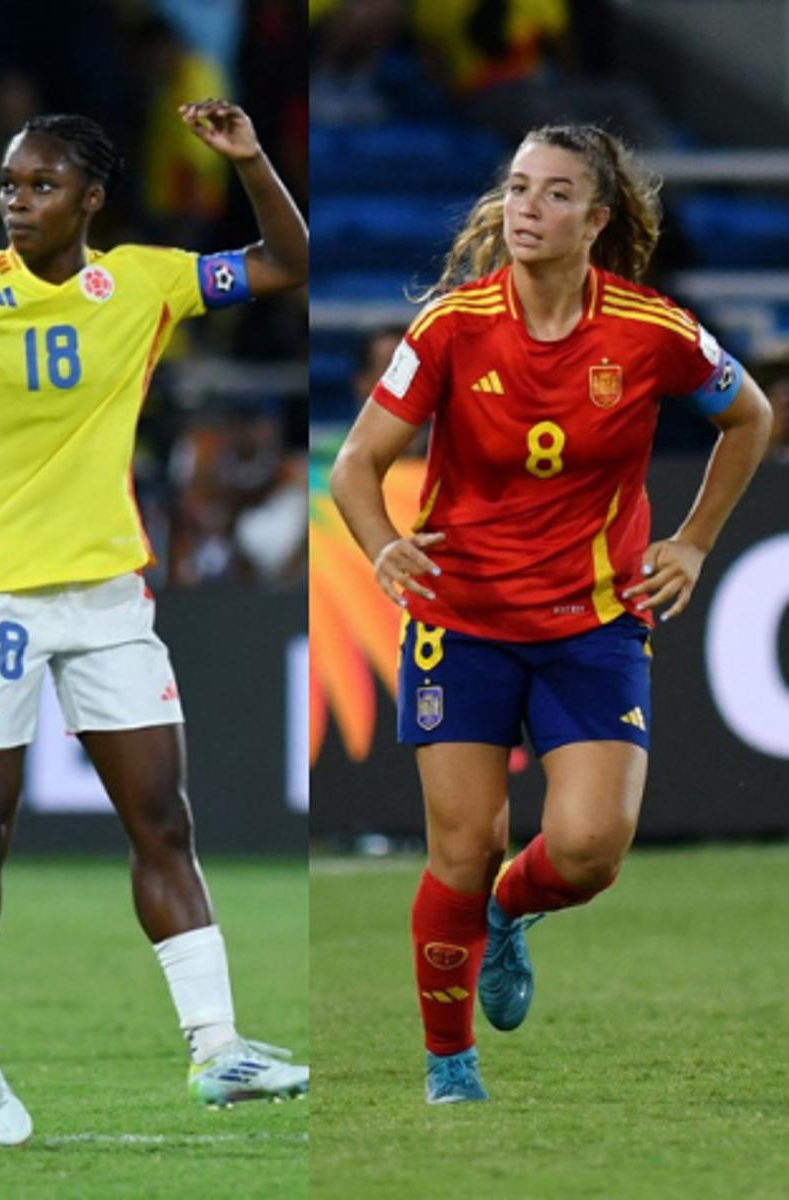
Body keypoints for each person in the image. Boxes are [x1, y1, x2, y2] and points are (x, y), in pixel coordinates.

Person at [0, 96, 311, 1143]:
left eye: (41, 185)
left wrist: (251, 156)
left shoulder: (144, 281)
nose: (18, 201)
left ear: (92, 198)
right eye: (8, 184)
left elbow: (284, 261)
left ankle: (217, 1049)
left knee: (164, 821)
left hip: (108, 598)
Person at [327, 124, 772, 1104]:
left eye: (557, 193)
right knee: (460, 843)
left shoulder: (651, 332)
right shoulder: (452, 327)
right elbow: (357, 465)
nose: (528, 207)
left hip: (594, 622)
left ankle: (506, 913)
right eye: (520, 188)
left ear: (597, 221)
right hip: (462, 618)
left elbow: (752, 418)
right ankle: (450, 1066)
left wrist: (693, 540)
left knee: (587, 850)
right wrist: (382, 545)